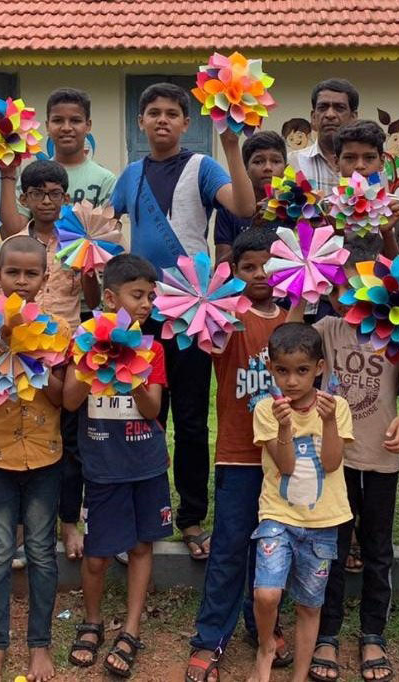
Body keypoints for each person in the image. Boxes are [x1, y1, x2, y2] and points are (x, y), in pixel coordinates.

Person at [109, 82, 256, 560]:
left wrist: (232, 144)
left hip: (194, 312)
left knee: (191, 418)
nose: (162, 120)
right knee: (143, 413)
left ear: (187, 123)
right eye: (153, 112)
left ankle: (192, 517)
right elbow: (108, 233)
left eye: (172, 113)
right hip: (143, 315)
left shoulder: (203, 167)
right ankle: (141, 509)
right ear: (141, 121)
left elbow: (244, 207)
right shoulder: (129, 176)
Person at [285, 281, 399, 682]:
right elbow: (286, 341)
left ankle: (373, 634)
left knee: (377, 549)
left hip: (381, 456)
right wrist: (298, 288)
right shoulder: (327, 327)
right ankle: (327, 633)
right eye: (341, 287)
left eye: (361, 290)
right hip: (334, 458)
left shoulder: (396, 329)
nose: (351, 298)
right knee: (333, 548)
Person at [185, 228, 291, 682]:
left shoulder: (293, 317)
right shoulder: (225, 317)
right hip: (238, 456)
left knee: (273, 551)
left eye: (270, 265)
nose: (261, 274)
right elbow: (202, 327)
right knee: (228, 550)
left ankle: (263, 625)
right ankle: (209, 639)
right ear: (234, 273)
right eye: (249, 267)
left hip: (286, 458)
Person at [62, 254, 172, 678]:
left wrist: (134, 367)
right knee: (97, 556)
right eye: (137, 295)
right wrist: (94, 359)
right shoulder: (84, 340)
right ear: (110, 297)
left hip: (145, 463)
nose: (146, 303)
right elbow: (71, 402)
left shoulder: (153, 348)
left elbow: (151, 410)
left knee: (142, 547)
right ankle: (91, 622)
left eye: (150, 295)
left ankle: (131, 627)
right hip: (102, 466)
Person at [0, 235, 69, 682]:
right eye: (13, 273)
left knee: (43, 554)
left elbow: (64, 400)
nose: (22, 281)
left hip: (45, 456)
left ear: (45, 278)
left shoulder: (57, 331)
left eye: (31, 274)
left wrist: (32, 358)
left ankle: (40, 645)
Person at [3, 159, 102, 561]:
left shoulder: (78, 242)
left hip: (65, 351)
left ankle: (67, 521)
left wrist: (91, 269)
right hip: (22, 350)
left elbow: (92, 304)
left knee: (71, 440)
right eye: (38, 193)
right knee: (23, 432)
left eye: (55, 194)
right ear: (24, 198)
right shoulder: (13, 242)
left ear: (66, 198)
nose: (46, 200)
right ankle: (23, 526)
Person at [249, 322, 354, 682]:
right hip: (277, 515)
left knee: (310, 605)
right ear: (270, 369)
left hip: (324, 523)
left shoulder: (335, 407)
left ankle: (299, 675)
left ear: (320, 368)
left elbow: (331, 463)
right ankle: (266, 648)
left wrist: (327, 423)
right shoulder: (266, 409)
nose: (292, 381)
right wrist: (283, 427)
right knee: (266, 594)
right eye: (282, 371)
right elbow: (288, 466)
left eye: (302, 371)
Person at [0, 86, 119, 240]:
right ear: (47, 125)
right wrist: (7, 174)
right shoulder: (31, 177)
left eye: (75, 120)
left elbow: (105, 237)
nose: (66, 128)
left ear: (88, 125)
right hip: (38, 262)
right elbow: (12, 235)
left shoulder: (105, 180)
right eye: (58, 120)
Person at [332, 120, 399, 264]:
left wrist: (387, 233)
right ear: (336, 162)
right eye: (350, 158)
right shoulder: (325, 207)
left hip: (383, 286)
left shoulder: (395, 207)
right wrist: (336, 230)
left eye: (369, 158)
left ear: (381, 162)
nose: (360, 166)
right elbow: (318, 263)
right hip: (339, 286)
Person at [214, 131, 287, 263]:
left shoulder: (297, 208)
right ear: (245, 169)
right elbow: (221, 266)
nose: (268, 168)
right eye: (258, 162)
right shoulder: (229, 208)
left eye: (276, 161)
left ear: (286, 168)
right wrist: (253, 231)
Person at [293, 79, 360, 193]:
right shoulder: (294, 162)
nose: (330, 115)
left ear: (353, 118)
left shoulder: (369, 163)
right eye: (323, 107)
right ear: (313, 117)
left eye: (339, 108)